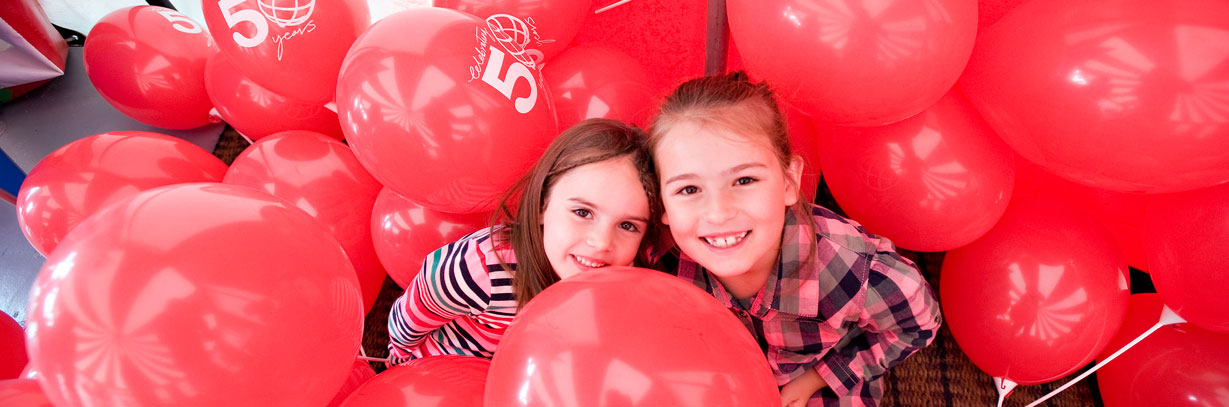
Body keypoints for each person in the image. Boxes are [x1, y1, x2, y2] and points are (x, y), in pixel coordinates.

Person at [648, 71, 941, 407]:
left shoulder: (849, 268)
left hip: (813, 384)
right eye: (689, 189)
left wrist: (818, 377)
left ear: (789, 182)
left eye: (744, 180)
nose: (718, 213)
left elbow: (918, 323)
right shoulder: (659, 263)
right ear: (662, 204)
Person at [387, 118, 661, 364]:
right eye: (582, 212)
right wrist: (400, 355)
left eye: (627, 225)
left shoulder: (626, 277)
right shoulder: (480, 268)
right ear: (542, 204)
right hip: (447, 371)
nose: (602, 242)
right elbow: (413, 312)